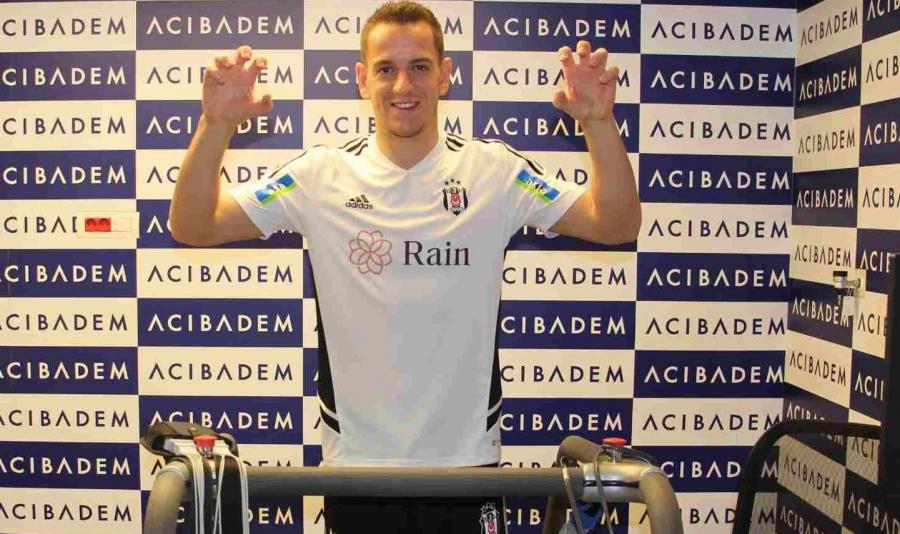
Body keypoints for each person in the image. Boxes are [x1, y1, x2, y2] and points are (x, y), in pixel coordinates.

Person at [169, 2, 640, 532]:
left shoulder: (495, 171)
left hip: (468, 467)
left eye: (419, 66)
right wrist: (215, 126)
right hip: (357, 470)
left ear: (444, 75)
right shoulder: (320, 175)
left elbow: (616, 223)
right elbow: (193, 225)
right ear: (361, 80)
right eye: (385, 69)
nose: (402, 85)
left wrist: (598, 122)